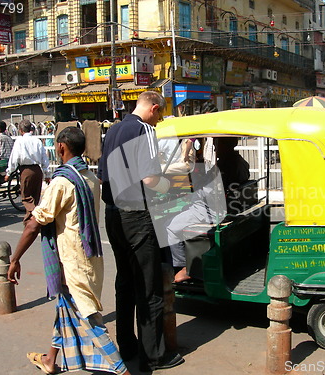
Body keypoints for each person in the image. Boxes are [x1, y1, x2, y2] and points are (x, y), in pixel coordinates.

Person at [6, 127, 131, 375]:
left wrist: (15, 259)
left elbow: (33, 225)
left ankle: (122, 371)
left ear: (61, 147)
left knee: (91, 320)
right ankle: (51, 359)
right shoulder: (90, 178)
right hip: (88, 256)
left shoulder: (63, 182)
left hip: (74, 260)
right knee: (65, 306)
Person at [98, 91, 184, 372]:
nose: (159, 121)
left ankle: (127, 346)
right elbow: (149, 178)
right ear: (154, 108)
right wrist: (169, 187)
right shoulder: (144, 129)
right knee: (149, 289)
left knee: (124, 283)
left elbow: (103, 175)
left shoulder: (113, 130)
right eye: (159, 115)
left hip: (113, 215)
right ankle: (154, 356)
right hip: (136, 216)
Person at [166, 137, 250, 283]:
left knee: (170, 227)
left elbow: (208, 191)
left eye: (219, 143)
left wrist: (193, 184)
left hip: (211, 210)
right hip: (229, 205)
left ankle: (184, 267)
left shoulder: (224, 165)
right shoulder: (238, 161)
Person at [5, 119, 50, 223]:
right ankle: (30, 221)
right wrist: (47, 174)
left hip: (26, 171)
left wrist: (9, 173)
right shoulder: (37, 141)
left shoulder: (20, 141)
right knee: (35, 197)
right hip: (37, 171)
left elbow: (14, 159)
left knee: (26, 198)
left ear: (20, 130)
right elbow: (44, 158)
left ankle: (34, 217)